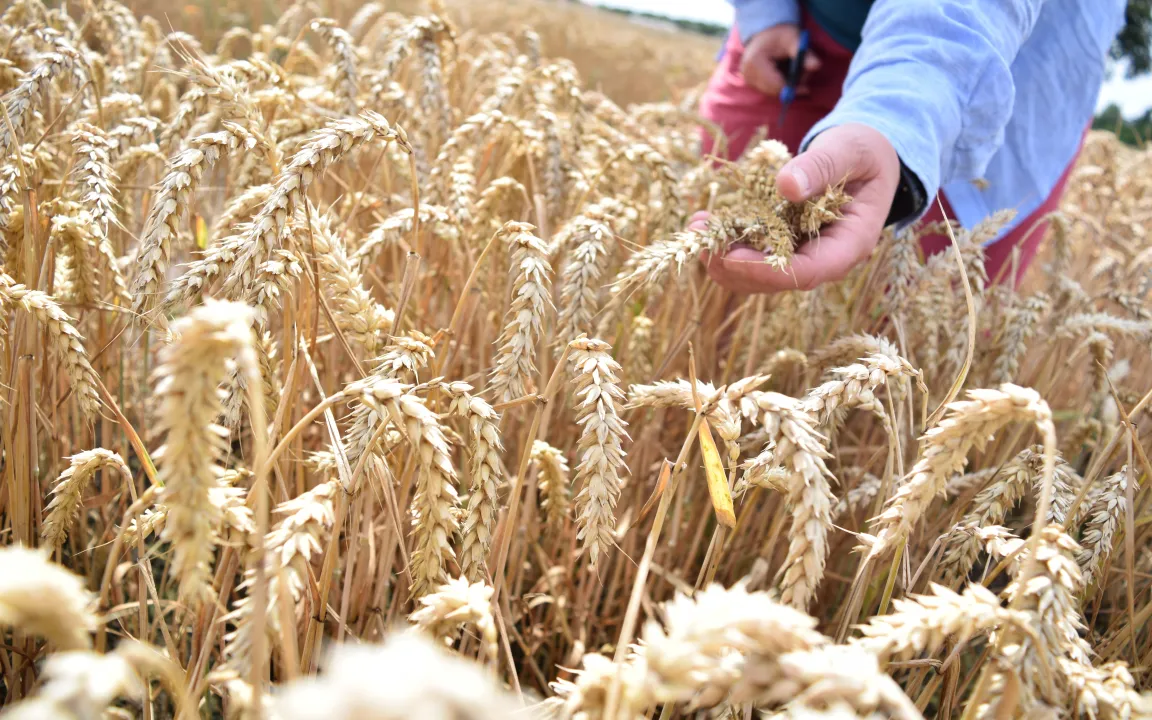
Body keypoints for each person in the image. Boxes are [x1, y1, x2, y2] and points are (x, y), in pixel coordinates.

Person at [695, 0, 1127, 294]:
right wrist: (764, 12)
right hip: (795, 45)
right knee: (722, 291)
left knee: (923, 327)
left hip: (988, 72)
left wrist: (897, 116)